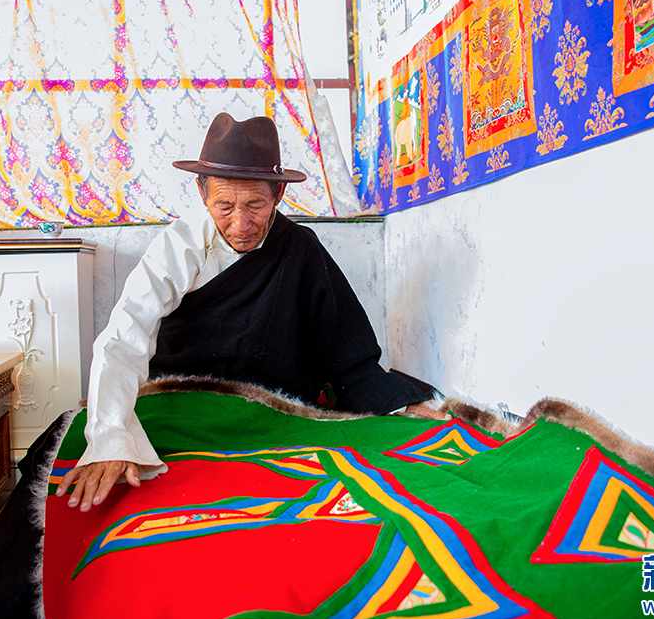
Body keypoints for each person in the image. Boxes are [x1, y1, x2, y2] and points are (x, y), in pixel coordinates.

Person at [56, 112, 445, 513]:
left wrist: (399, 404)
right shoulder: (177, 248)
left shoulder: (300, 250)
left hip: (273, 413)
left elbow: (348, 356)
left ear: (278, 193)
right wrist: (110, 437)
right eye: (224, 206)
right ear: (202, 193)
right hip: (185, 403)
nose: (241, 224)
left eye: (255, 205)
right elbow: (124, 337)